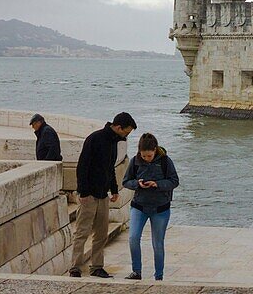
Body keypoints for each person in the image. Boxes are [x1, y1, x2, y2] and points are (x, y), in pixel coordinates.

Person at [69, 111, 136, 278]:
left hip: (103, 194)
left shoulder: (114, 143)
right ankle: (75, 267)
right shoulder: (94, 139)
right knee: (82, 232)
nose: (126, 136)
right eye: (126, 132)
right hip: (89, 194)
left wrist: (114, 190)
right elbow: (82, 166)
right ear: (118, 127)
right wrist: (82, 191)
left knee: (101, 233)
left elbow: (110, 169)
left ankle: (97, 266)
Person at [122, 133, 179, 281]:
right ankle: (136, 271)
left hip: (161, 208)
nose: (147, 158)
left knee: (157, 243)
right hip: (139, 206)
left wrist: (157, 184)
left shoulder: (166, 161)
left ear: (155, 150)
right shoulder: (135, 161)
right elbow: (126, 181)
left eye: (149, 155)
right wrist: (137, 184)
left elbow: (174, 181)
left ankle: (158, 275)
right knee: (133, 238)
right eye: (144, 156)